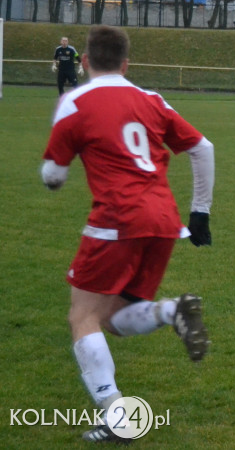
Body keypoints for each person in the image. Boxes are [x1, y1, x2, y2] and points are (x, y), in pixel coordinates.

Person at [41, 25, 214, 444]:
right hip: (164, 221)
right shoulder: (151, 99)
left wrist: (59, 175)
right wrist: (201, 213)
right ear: (126, 63)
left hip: (116, 220)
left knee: (82, 316)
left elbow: (52, 174)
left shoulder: (75, 101)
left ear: (83, 62)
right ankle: (171, 312)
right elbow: (202, 147)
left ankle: (117, 415)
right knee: (114, 320)